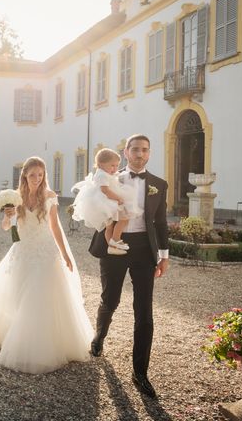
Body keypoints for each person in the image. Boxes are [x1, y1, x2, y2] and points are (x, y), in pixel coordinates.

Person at [0, 156, 93, 374]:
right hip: (22, 250)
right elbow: (6, 228)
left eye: (40, 175)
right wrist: (7, 215)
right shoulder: (16, 197)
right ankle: (15, 333)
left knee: (39, 295)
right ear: (25, 176)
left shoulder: (50, 196)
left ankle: (40, 343)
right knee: (18, 293)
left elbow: (55, 226)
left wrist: (65, 253)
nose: (37, 179)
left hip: (45, 251)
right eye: (32, 175)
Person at [88, 134, 169, 398]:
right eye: (135, 149)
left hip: (145, 249)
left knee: (144, 310)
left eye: (145, 150)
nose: (139, 154)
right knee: (110, 299)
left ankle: (140, 372)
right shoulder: (110, 177)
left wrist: (164, 255)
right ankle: (99, 337)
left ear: (150, 153)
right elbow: (95, 207)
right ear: (125, 152)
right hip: (115, 247)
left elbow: (160, 222)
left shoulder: (159, 184)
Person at [71, 148, 143, 255]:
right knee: (124, 218)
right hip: (106, 201)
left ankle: (111, 246)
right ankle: (115, 239)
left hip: (105, 201)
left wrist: (116, 175)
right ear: (100, 164)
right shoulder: (102, 175)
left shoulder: (104, 172)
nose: (115, 168)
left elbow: (112, 181)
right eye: (112, 165)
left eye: (117, 165)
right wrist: (118, 198)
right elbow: (105, 190)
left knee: (109, 225)